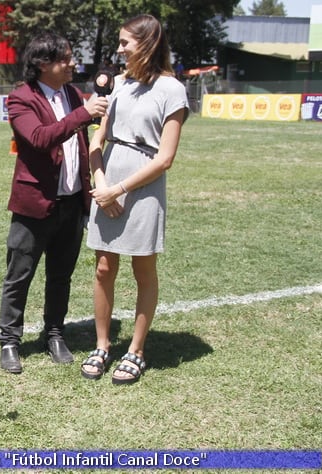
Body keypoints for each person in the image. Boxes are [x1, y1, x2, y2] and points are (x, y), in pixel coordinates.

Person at [80, 14, 188, 385]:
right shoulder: (117, 85)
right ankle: (102, 345)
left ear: (148, 44)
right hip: (106, 182)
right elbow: (97, 140)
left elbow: (165, 158)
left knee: (144, 271)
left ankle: (136, 351)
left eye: (126, 42)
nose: (120, 49)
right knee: (104, 269)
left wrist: (120, 190)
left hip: (143, 189)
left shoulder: (172, 90)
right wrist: (101, 182)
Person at [0, 32, 108, 374]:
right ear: (44, 64)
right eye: (67, 58)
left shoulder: (73, 93)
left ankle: (55, 333)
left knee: (61, 275)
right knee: (20, 274)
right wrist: (83, 113)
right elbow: (40, 138)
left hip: (72, 202)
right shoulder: (20, 99)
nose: (73, 63)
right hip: (34, 204)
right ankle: (10, 341)